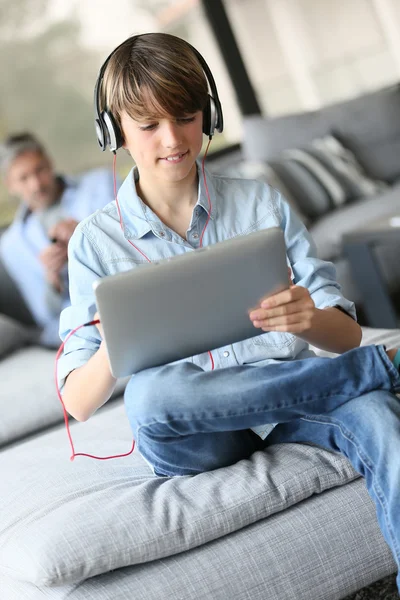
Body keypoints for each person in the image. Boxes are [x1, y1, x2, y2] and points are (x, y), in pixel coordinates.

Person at [58, 33, 400, 589]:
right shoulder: (95, 245)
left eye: (186, 117)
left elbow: (341, 335)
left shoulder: (260, 202)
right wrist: (122, 344)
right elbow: (78, 401)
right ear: (114, 130)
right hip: (195, 431)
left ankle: (373, 378)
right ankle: (385, 365)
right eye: (148, 126)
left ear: (208, 115)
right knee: (149, 394)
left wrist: (309, 318)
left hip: (294, 399)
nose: (172, 140)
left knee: (381, 417)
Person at [0, 133, 118, 346]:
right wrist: (52, 281)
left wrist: (88, 234)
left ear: (50, 163)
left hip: (121, 296)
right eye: (23, 178)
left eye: (40, 170)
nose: (36, 185)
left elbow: (140, 243)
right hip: (81, 327)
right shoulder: (12, 246)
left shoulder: (102, 184)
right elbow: (45, 315)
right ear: (10, 185)